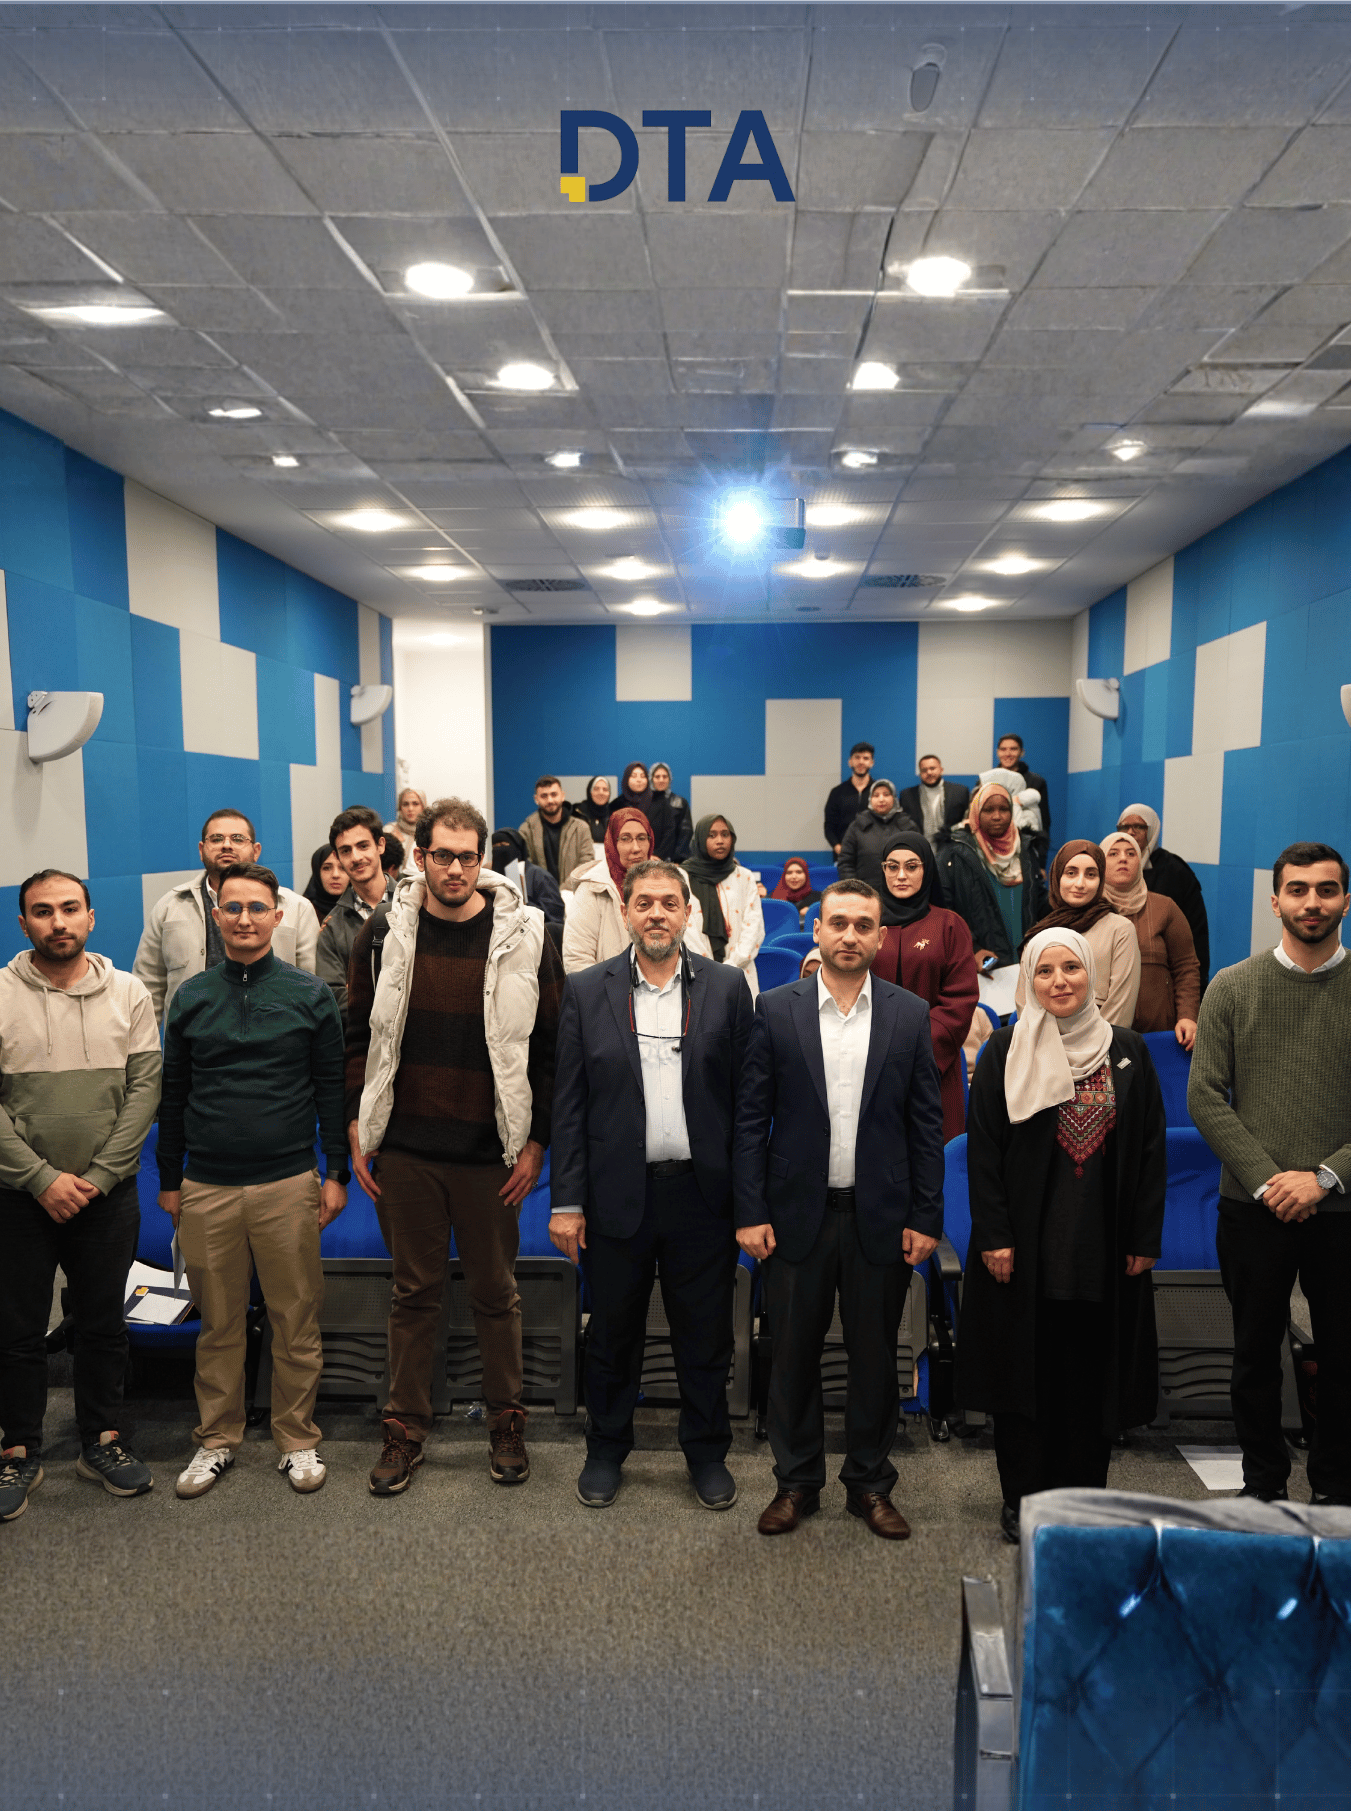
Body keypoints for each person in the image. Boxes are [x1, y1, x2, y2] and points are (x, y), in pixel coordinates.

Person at [347, 798, 564, 1496]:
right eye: (442, 855)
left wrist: (536, 1139)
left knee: (496, 1294)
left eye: (468, 857)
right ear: (419, 857)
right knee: (413, 1294)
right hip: (406, 1148)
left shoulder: (526, 933)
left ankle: (506, 1422)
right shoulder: (383, 930)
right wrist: (356, 1123)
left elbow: (550, 1047)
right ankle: (404, 1430)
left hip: (489, 1152)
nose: (455, 869)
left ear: (483, 860)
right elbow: (356, 1034)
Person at [735, 880, 945, 1541]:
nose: (849, 935)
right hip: (795, 1215)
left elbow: (926, 1126)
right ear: (818, 930)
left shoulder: (909, 1014)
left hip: (880, 1216)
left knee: (875, 1358)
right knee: (792, 1355)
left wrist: (926, 1216)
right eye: (838, 923)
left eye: (862, 924)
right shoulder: (776, 1009)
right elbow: (750, 1119)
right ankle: (795, 1481)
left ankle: (869, 1484)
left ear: (880, 937)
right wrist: (749, 1209)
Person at [550, 859, 754, 1509]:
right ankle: (606, 1449)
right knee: (613, 1334)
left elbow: (747, 1104)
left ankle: (707, 1453)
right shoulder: (588, 990)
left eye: (669, 902)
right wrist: (566, 1200)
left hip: (702, 1195)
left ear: (688, 913)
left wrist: (749, 1202)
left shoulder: (726, 988)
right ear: (625, 913)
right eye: (644, 903)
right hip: (616, 1193)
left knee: (705, 1337)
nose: (657, 914)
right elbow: (568, 1105)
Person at [958, 929, 1166, 1540]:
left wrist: (1143, 1237)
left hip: (1102, 1246)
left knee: (1089, 1378)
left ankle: (1082, 1501)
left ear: (1091, 974)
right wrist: (993, 1235)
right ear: (1029, 978)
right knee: (1025, 1377)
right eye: (1044, 970)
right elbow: (984, 1153)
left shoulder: (1128, 1050)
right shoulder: (1004, 1049)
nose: (1059, 981)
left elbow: (1150, 1149)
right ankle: (1023, 1499)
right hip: (1023, 1249)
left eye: (1071, 967)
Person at [158, 863, 348, 1501]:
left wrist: (336, 1173)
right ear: (217, 916)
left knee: (296, 1318)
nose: (245, 918)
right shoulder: (191, 997)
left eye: (257, 908)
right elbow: (173, 1094)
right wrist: (170, 1179)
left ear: (278, 916)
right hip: (206, 1185)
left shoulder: (309, 995)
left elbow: (330, 1090)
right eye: (233, 908)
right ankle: (216, 1439)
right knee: (218, 1324)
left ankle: (297, 1439)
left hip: (287, 1182)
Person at [1188, 841, 1351, 1507]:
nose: (1312, 902)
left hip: (1343, 1208)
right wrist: (1268, 1180)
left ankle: (1335, 1491)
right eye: (1298, 889)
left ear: (1345, 900)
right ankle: (1262, 1489)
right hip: (1252, 1207)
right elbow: (1204, 1096)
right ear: (1275, 899)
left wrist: (1323, 1177)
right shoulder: (1231, 986)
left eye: (1326, 889)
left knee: (1343, 1357)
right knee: (1254, 1355)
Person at [0, 872, 162, 1522]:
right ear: (24, 924)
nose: (58, 921)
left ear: (91, 917)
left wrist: (98, 1176)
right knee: (17, 1328)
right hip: (17, 1195)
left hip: (106, 1193)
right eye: (42, 911)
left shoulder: (129, 993)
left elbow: (145, 1091)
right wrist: (40, 1178)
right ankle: (18, 1447)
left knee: (102, 1323)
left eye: (70, 908)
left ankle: (103, 1438)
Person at [134, 807, 318, 1027]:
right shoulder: (169, 907)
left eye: (238, 838)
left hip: (277, 1035)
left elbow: (312, 986)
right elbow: (148, 987)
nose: (227, 845)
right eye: (216, 839)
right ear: (201, 850)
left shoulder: (297, 908)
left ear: (256, 850)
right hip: (194, 1038)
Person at [872, 834, 979, 1142]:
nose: (901, 875)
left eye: (911, 866)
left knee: (931, 1152)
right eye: (892, 866)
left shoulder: (949, 924)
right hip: (871, 1062)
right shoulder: (867, 923)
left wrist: (916, 1047)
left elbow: (961, 998)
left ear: (927, 869)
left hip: (933, 1065)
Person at [563, 807, 707, 974]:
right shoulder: (593, 888)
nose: (636, 848)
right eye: (625, 839)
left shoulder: (674, 882)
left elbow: (696, 946)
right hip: (608, 988)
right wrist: (608, 990)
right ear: (612, 842)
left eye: (641, 838)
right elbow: (577, 958)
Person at [1014, 841, 1141, 1027]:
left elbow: (1121, 1006)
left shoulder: (1120, 930)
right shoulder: (1040, 933)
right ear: (1057, 877)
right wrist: (1048, 1041)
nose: (1080, 884)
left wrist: (1092, 1041)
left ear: (1101, 881)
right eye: (1071, 873)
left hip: (1101, 1039)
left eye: (1091, 875)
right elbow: (1025, 1003)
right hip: (1044, 1040)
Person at [1100, 830, 1200, 1049]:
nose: (1123, 859)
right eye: (1113, 853)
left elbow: (1186, 967)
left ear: (1141, 861)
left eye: (1131, 853)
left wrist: (1187, 1015)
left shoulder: (1165, 908)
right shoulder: (1089, 912)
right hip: (1102, 1035)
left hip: (1159, 1033)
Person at [938, 780, 1040, 969]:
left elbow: (1038, 901)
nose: (997, 816)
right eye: (988, 810)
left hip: (1026, 959)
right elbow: (944, 910)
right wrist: (973, 948)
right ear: (976, 812)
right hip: (985, 962)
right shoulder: (955, 854)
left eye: (1004, 809)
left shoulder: (1026, 849)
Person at [1116, 803, 1211, 990]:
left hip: (1164, 978)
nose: (1130, 832)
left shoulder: (1175, 872)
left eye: (1139, 826)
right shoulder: (1109, 868)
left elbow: (1195, 934)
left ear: (1152, 830)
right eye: (1124, 827)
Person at [316, 807, 396, 1020]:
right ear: (337, 856)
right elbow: (334, 998)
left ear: (380, 845)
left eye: (363, 846)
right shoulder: (332, 928)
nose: (356, 857)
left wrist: (357, 990)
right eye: (346, 850)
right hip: (362, 1036)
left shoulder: (414, 903)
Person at [683, 815, 765, 999]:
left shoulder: (745, 877)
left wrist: (731, 966)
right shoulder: (681, 877)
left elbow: (754, 926)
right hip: (697, 973)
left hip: (739, 972)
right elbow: (683, 928)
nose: (720, 840)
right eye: (711, 835)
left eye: (725, 834)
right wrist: (708, 969)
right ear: (700, 838)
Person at [837, 778, 919, 898]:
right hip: (865, 895)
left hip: (902, 894)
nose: (881, 799)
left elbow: (918, 863)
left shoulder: (908, 826)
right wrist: (856, 890)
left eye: (886, 794)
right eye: (876, 795)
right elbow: (845, 863)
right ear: (870, 799)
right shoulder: (857, 826)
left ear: (894, 798)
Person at [519, 775, 592, 887]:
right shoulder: (526, 830)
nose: (550, 800)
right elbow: (525, 865)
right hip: (539, 894)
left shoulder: (581, 828)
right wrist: (547, 891)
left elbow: (586, 864)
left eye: (554, 794)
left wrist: (564, 890)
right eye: (544, 796)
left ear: (562, 796)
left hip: (573, 893)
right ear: (536, 799)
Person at [491, 826, 564, 931]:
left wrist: (524, 904)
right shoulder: (493, 878)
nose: (499, 850)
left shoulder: (540, 876)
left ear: (517, 848)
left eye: (503, 845)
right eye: (495, 846)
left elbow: (555, 914)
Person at [995, 733, 1050, 871]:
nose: (1008, 753)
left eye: (1013, 749)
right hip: (994, 851)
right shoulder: (988, 781)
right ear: (997, 752)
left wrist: (1041, 864)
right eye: (1003, 749)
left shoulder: (1036, 782)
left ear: (1022, 752)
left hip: (1026, 852)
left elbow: (1044, 824)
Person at [900, 755, 970, 851]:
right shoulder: (907, 796)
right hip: (919, 849)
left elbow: (967, 820)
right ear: (920, 773)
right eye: (924, 770)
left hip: (953, 849)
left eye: (932, 768)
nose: (929, 772)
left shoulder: (960, 792)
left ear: (941, 770)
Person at [823, 741, 877, 856]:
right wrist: (838, 848)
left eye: (865, 758)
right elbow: (829, 826)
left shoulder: (879, 792)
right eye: (857, 757)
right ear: (850, 762)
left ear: (871, 763)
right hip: (843, 855)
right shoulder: (837, 792)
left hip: (873, 855)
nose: (861, 762)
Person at [650, 761, 693, 861]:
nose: (661, 780)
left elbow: (686, 834)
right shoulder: (645, 803)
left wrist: (678, 859)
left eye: (665, 776)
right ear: (651, 779)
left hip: (674, 861)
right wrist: (648, 855)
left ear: (670, 779)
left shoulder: (680, 803)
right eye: (657, 777)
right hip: (650, 859)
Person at [303, 845, 349, 927]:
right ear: (317, 872)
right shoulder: (303, 911)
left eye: (343, 868)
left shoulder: (363, 909)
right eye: (327, 868)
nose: (335, 875)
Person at [384, 788, 426, 876]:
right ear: (400, 807)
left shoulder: (429, 832)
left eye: (415, 804)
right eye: (405, 804)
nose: (410, 808)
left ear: (423, 806)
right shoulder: (389, 831)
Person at [771, 856, 821, 925]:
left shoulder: (819, 898)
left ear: (806, 875)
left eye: (799, 872)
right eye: (789, 873)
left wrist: (813, 911)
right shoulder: (773, 898)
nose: (794, 876)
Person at [574, 776, 613, 844]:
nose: (601, 793)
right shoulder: (579, 814)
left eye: (605, 789)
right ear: (590, 792)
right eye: (596, 789)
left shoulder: (614, 816)